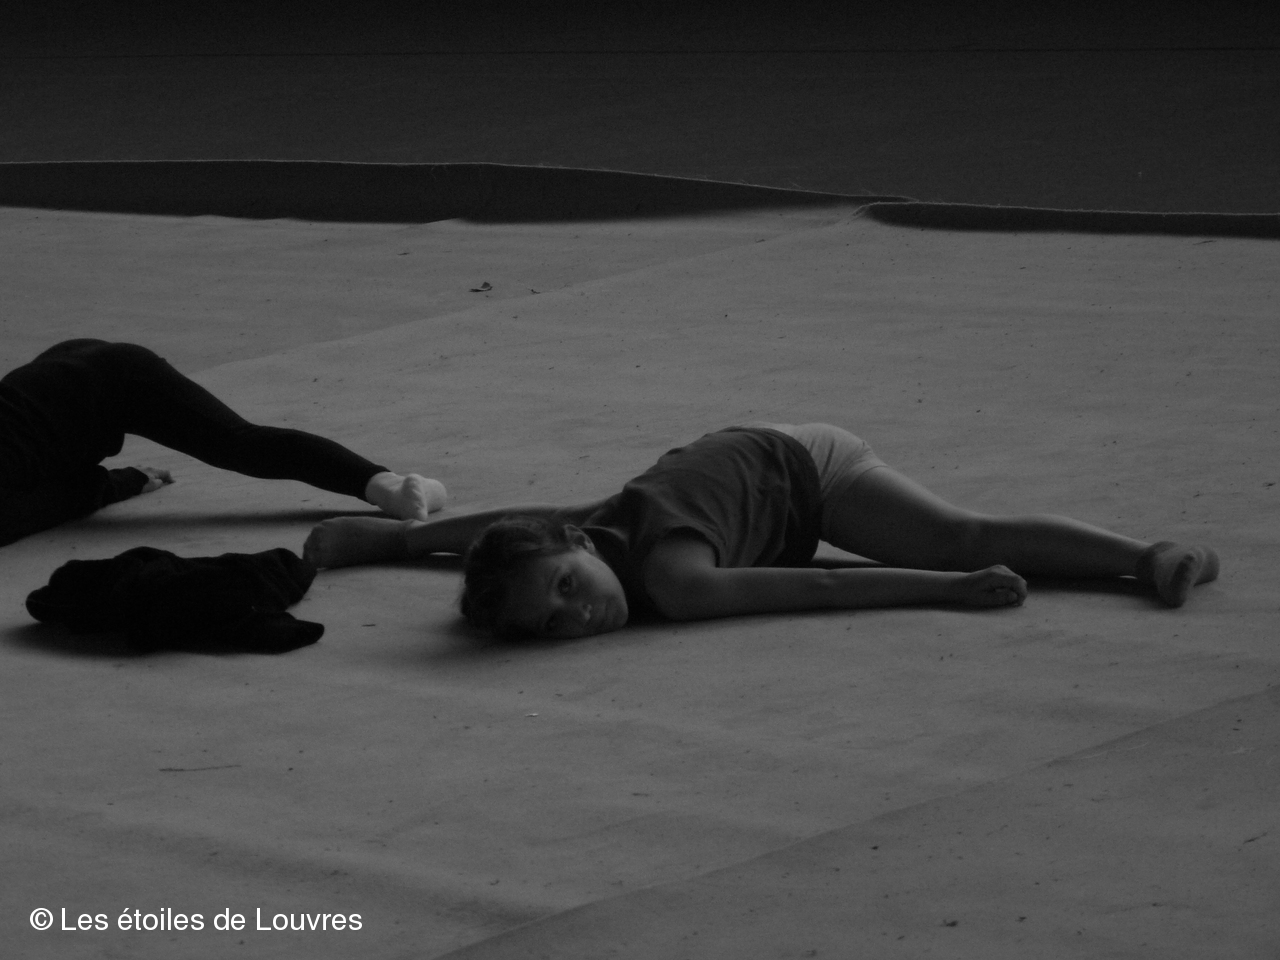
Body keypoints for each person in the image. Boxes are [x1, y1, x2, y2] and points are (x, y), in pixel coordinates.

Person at [302, 422, 1219, 639]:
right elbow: (514, 532)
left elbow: (819, 584)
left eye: (569, 589)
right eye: (553, 623)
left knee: (960, 537)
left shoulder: (675, 582)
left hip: (805, 470)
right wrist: (390, 545)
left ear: (581, 553)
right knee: (559, 520)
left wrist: (947, 590)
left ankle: (1146, 556)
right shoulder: (585, 544)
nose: (577, 616)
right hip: (722, 465)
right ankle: (389, 544)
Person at [1, 339, 446, 547]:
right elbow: (62, 495)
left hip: (113, 376)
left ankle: (389, 485)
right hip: (55, 383)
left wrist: (126, 481)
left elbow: (55, 502)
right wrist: (123, 480)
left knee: (237, 444)